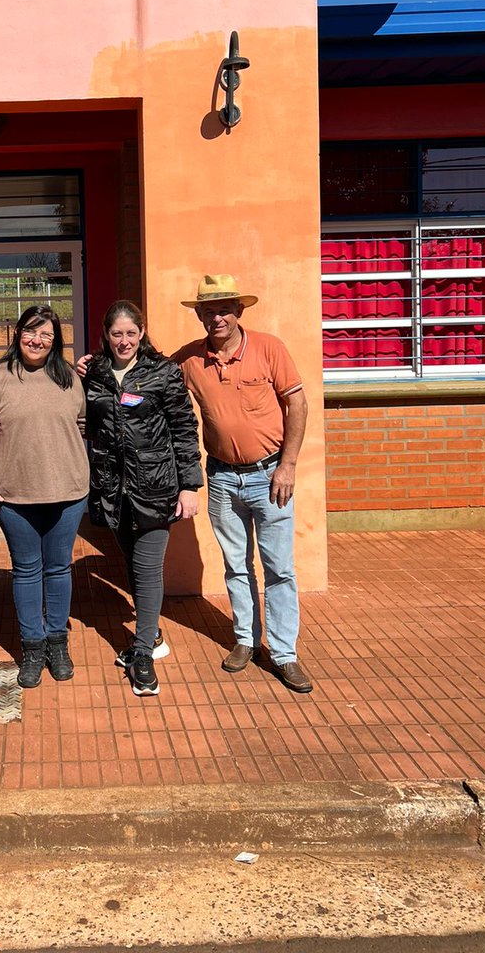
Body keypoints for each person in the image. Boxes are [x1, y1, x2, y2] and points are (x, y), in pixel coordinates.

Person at [172, 274, 313, 693]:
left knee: (280, 570)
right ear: (198, 315)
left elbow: (298, 404)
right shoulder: (190, 360)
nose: (217, 317)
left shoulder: (269, 348)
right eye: (209, 310)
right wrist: (94, 365)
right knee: (236, 565)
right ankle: (246, 640)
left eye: (224, 309)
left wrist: (287, 466)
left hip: (271, 476)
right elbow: (145, 372)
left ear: (239, 312)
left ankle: (285, 653)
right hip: (220, 478)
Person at [0, 305, 89, 689]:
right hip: (15, 498)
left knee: (58, 568)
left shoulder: (68, 377)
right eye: (30, 332)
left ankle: (57, 642)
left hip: (68, 493)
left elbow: (82, 424)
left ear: (56, 342)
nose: (37, 340)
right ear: (17, 334)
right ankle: (32, 646)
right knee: (26, 570)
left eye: (46, 335)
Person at [82, 301, 202, 697]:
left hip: (155, 485)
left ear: (142, 332)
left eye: (131, 333)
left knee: (148, 567)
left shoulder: (163, 372)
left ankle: (143, 655)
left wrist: (189, 485)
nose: (124, 341)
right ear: (106, 334)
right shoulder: (96, 373)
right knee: (133, 564)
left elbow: (185, 428)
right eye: (117, 334)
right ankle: (151, 634)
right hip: (112, 488)